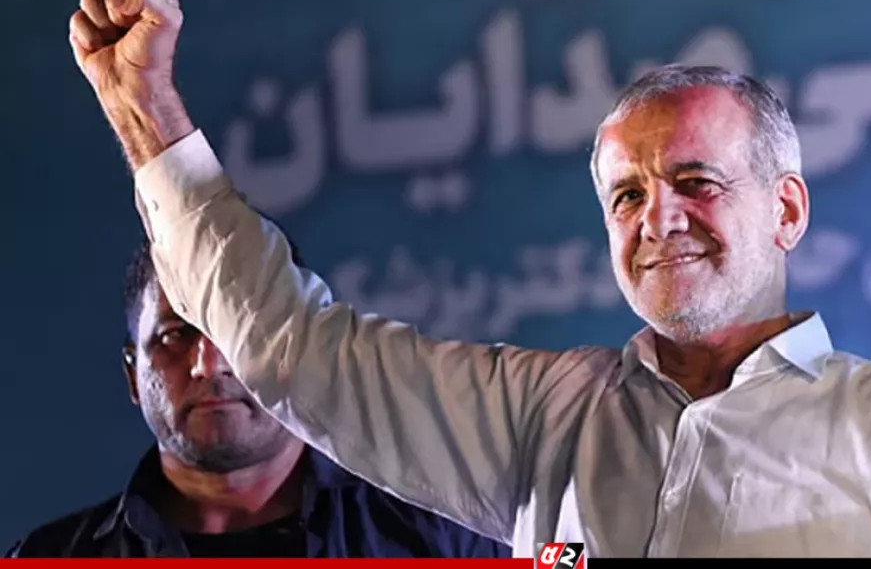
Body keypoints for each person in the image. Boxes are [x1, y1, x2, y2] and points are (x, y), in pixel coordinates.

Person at [67, 0, 871, 558]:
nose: (659, 219)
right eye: (627, 196)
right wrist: (145, 109)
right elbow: (289, 347)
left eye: (696, 182)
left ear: (788, 210)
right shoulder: (543, 420)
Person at [5, 236, 512, 558]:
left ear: (302, 350)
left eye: (238, 330)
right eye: (175, 336)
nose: (210, 364)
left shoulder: (446, 531)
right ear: (133, 376)